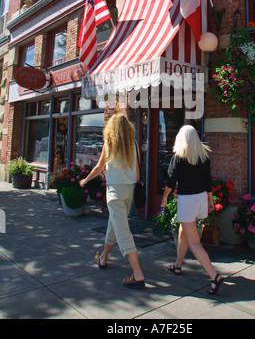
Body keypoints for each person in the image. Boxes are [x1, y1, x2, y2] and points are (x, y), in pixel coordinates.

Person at [80, 113, 145, 289]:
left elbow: (98, 167)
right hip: (129, 190)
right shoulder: (135, 144)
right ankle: (103, 258)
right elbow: (138, 174)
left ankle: (138, 274)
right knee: (115, 225)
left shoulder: (110, 144)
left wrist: (85, 181)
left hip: (115, 190)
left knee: (122, 230)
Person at [161, 125, 223, 295]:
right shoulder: (203, 158)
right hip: (201, 199)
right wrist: (210, 200)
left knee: (194, 242)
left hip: (187, 201)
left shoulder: (178, 158)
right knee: (183, 231)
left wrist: (164, 197)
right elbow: (207, 181)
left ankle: (214, 275)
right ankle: (178, 265)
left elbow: (171, 181)